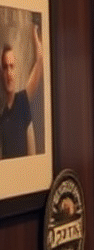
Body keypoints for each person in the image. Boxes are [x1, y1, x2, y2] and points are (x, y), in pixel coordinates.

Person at [0, 21, 43, 158]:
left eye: (12, 67)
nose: (9, 73)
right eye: (5, 67)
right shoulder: (2, 114)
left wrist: (34, 32)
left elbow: (40, 61)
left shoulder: (22, 99)